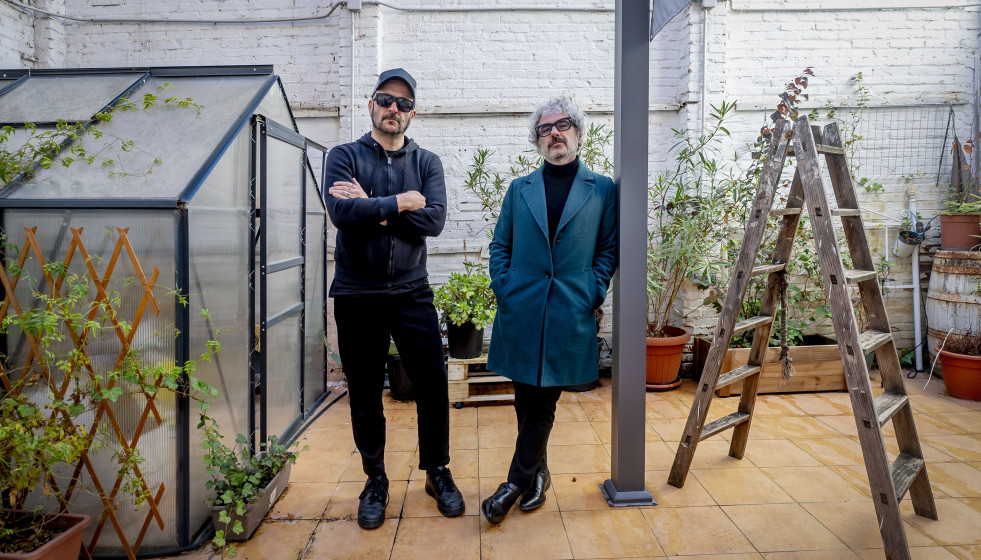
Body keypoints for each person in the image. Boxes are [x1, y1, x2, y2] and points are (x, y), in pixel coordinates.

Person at [324, 68, 464, 530]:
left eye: (403, 104)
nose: (394, 110)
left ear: (412, 113)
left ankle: (437, 472)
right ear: (371, 104)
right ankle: (375, 479)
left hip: (411, 291)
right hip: (356, 293)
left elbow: (435, 221)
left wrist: (377, 208)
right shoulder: (343, 155)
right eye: (386, 100)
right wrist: (402, 203)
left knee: (432, 383)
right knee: (364, 391)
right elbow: (342, 212)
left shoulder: (428, 163)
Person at [481, 96, 618, 524]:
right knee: (527, 398)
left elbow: (607, 249)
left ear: (578, 131)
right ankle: (538, 474)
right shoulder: (519, 189)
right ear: (537, 139)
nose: (554, 133)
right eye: (545, 128)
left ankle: (513, 483)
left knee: (543, 402)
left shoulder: (603, 189)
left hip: (569, 310)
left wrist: (592, 291)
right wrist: (504, 286)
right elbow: (500, 245)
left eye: (562, 125)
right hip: (521, 309)